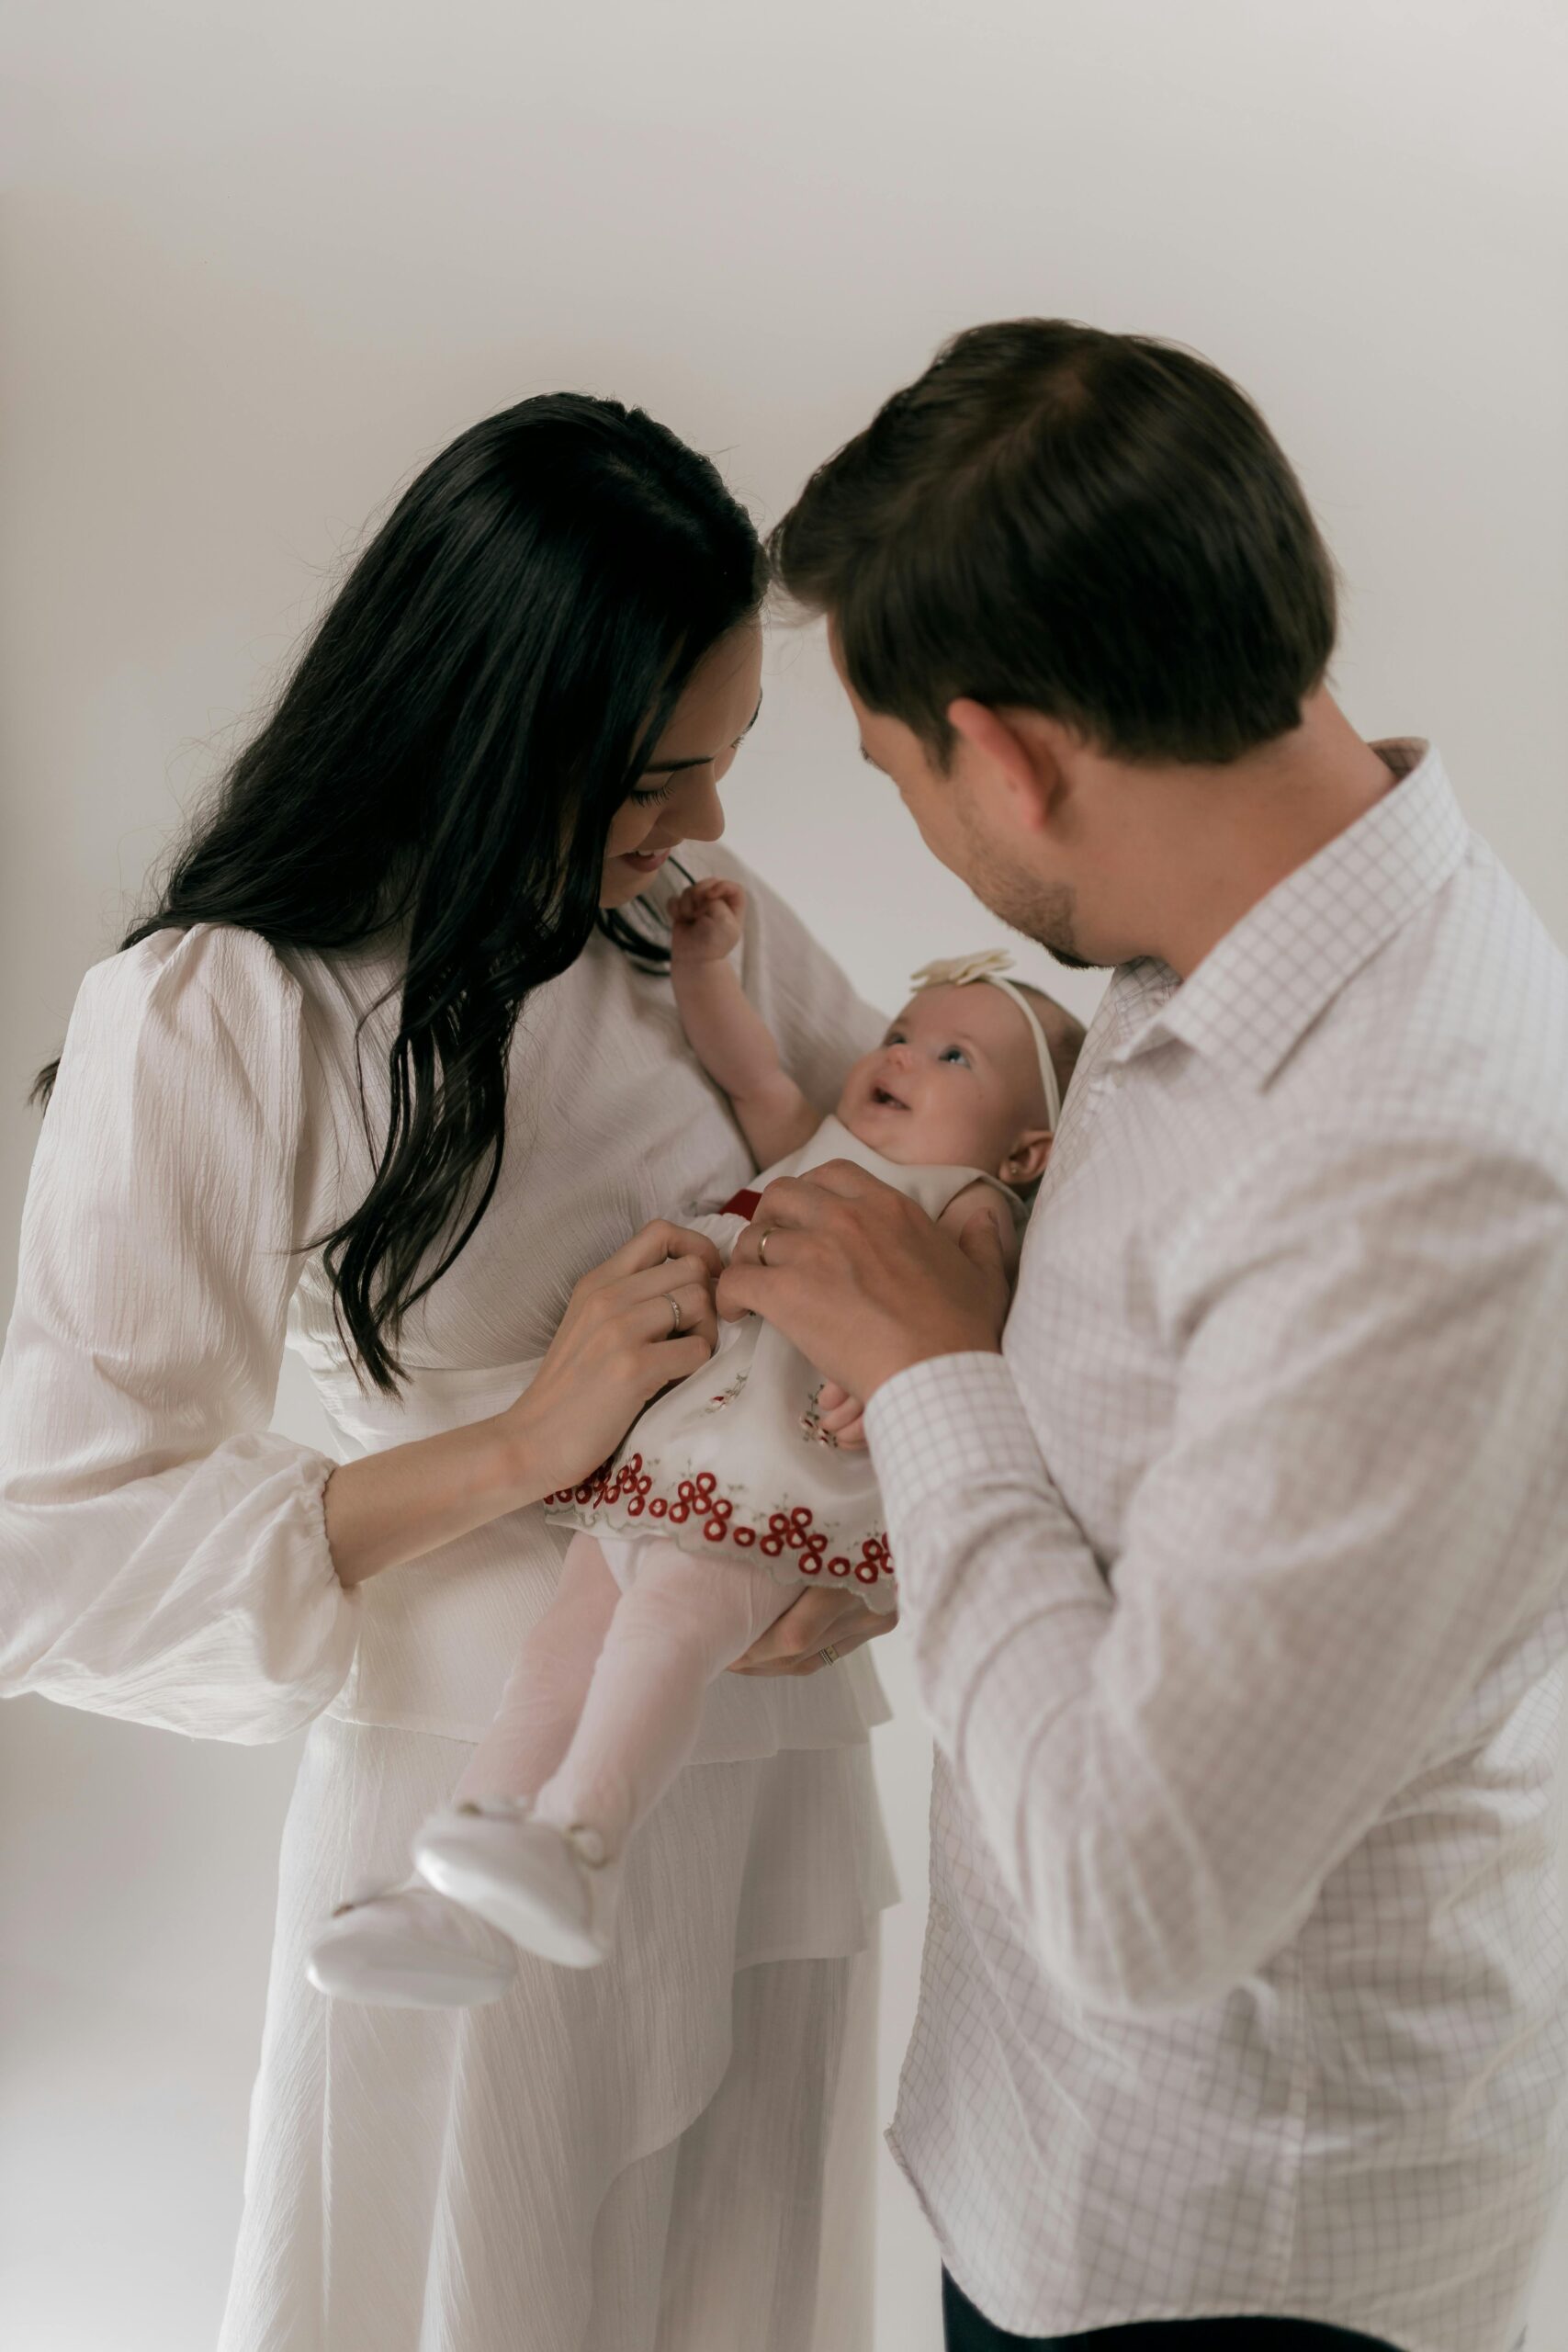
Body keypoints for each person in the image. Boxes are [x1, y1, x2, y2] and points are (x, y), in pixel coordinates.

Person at [0, 394, 901, 2352]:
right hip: (461, 1817)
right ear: (504, 729)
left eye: (729, 759)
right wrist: (526, 1439)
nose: (709, 828)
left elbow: (918, 1231)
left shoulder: (689, 936)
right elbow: (52, 1556)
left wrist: (866, 1550)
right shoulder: (227, 1006)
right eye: (663, 772)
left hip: (772, 1787)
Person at [718, 319, 1568, 2352]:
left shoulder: (1412, 1167)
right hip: (1059, 2152)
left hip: (1213, 2240)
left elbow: (1143, 1896)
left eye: (898, 771)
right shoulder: (1240, 976)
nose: (925, 831)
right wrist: (921, 1499)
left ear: (1002, 750)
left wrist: (931, 1385)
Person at [307, 903, 1081, 1992]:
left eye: (953, 1054)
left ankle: (583, 1847)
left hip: (784, 1480)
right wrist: (706, 964)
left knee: (664, 1631)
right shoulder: (814, 1146)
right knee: (558, 1654)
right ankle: (457, 1899)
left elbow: (966, 1337)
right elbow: (748, 1065)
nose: (903, 1054)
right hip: (665, 1463)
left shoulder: (968, 1204)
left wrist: (886, 1385)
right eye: (901, 1032)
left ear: (1025, 1146)